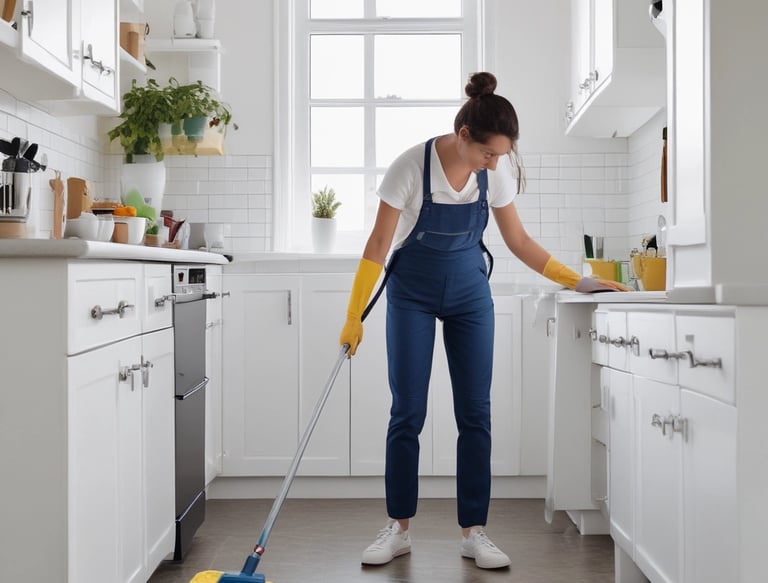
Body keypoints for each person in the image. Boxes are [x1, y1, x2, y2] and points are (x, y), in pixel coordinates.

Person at [339, 71, 627, 571]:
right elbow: (378, 246)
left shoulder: (495, 172)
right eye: (489, 153)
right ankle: (399, 528)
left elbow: (518, 242)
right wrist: (353, 315)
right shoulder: (410, 167)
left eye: (501, 156)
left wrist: (576, 280)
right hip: (411, 295)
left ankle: (474, 531)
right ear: (465, 135)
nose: (494, 164)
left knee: (476, 413)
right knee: (407, 410)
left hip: (470, 295)